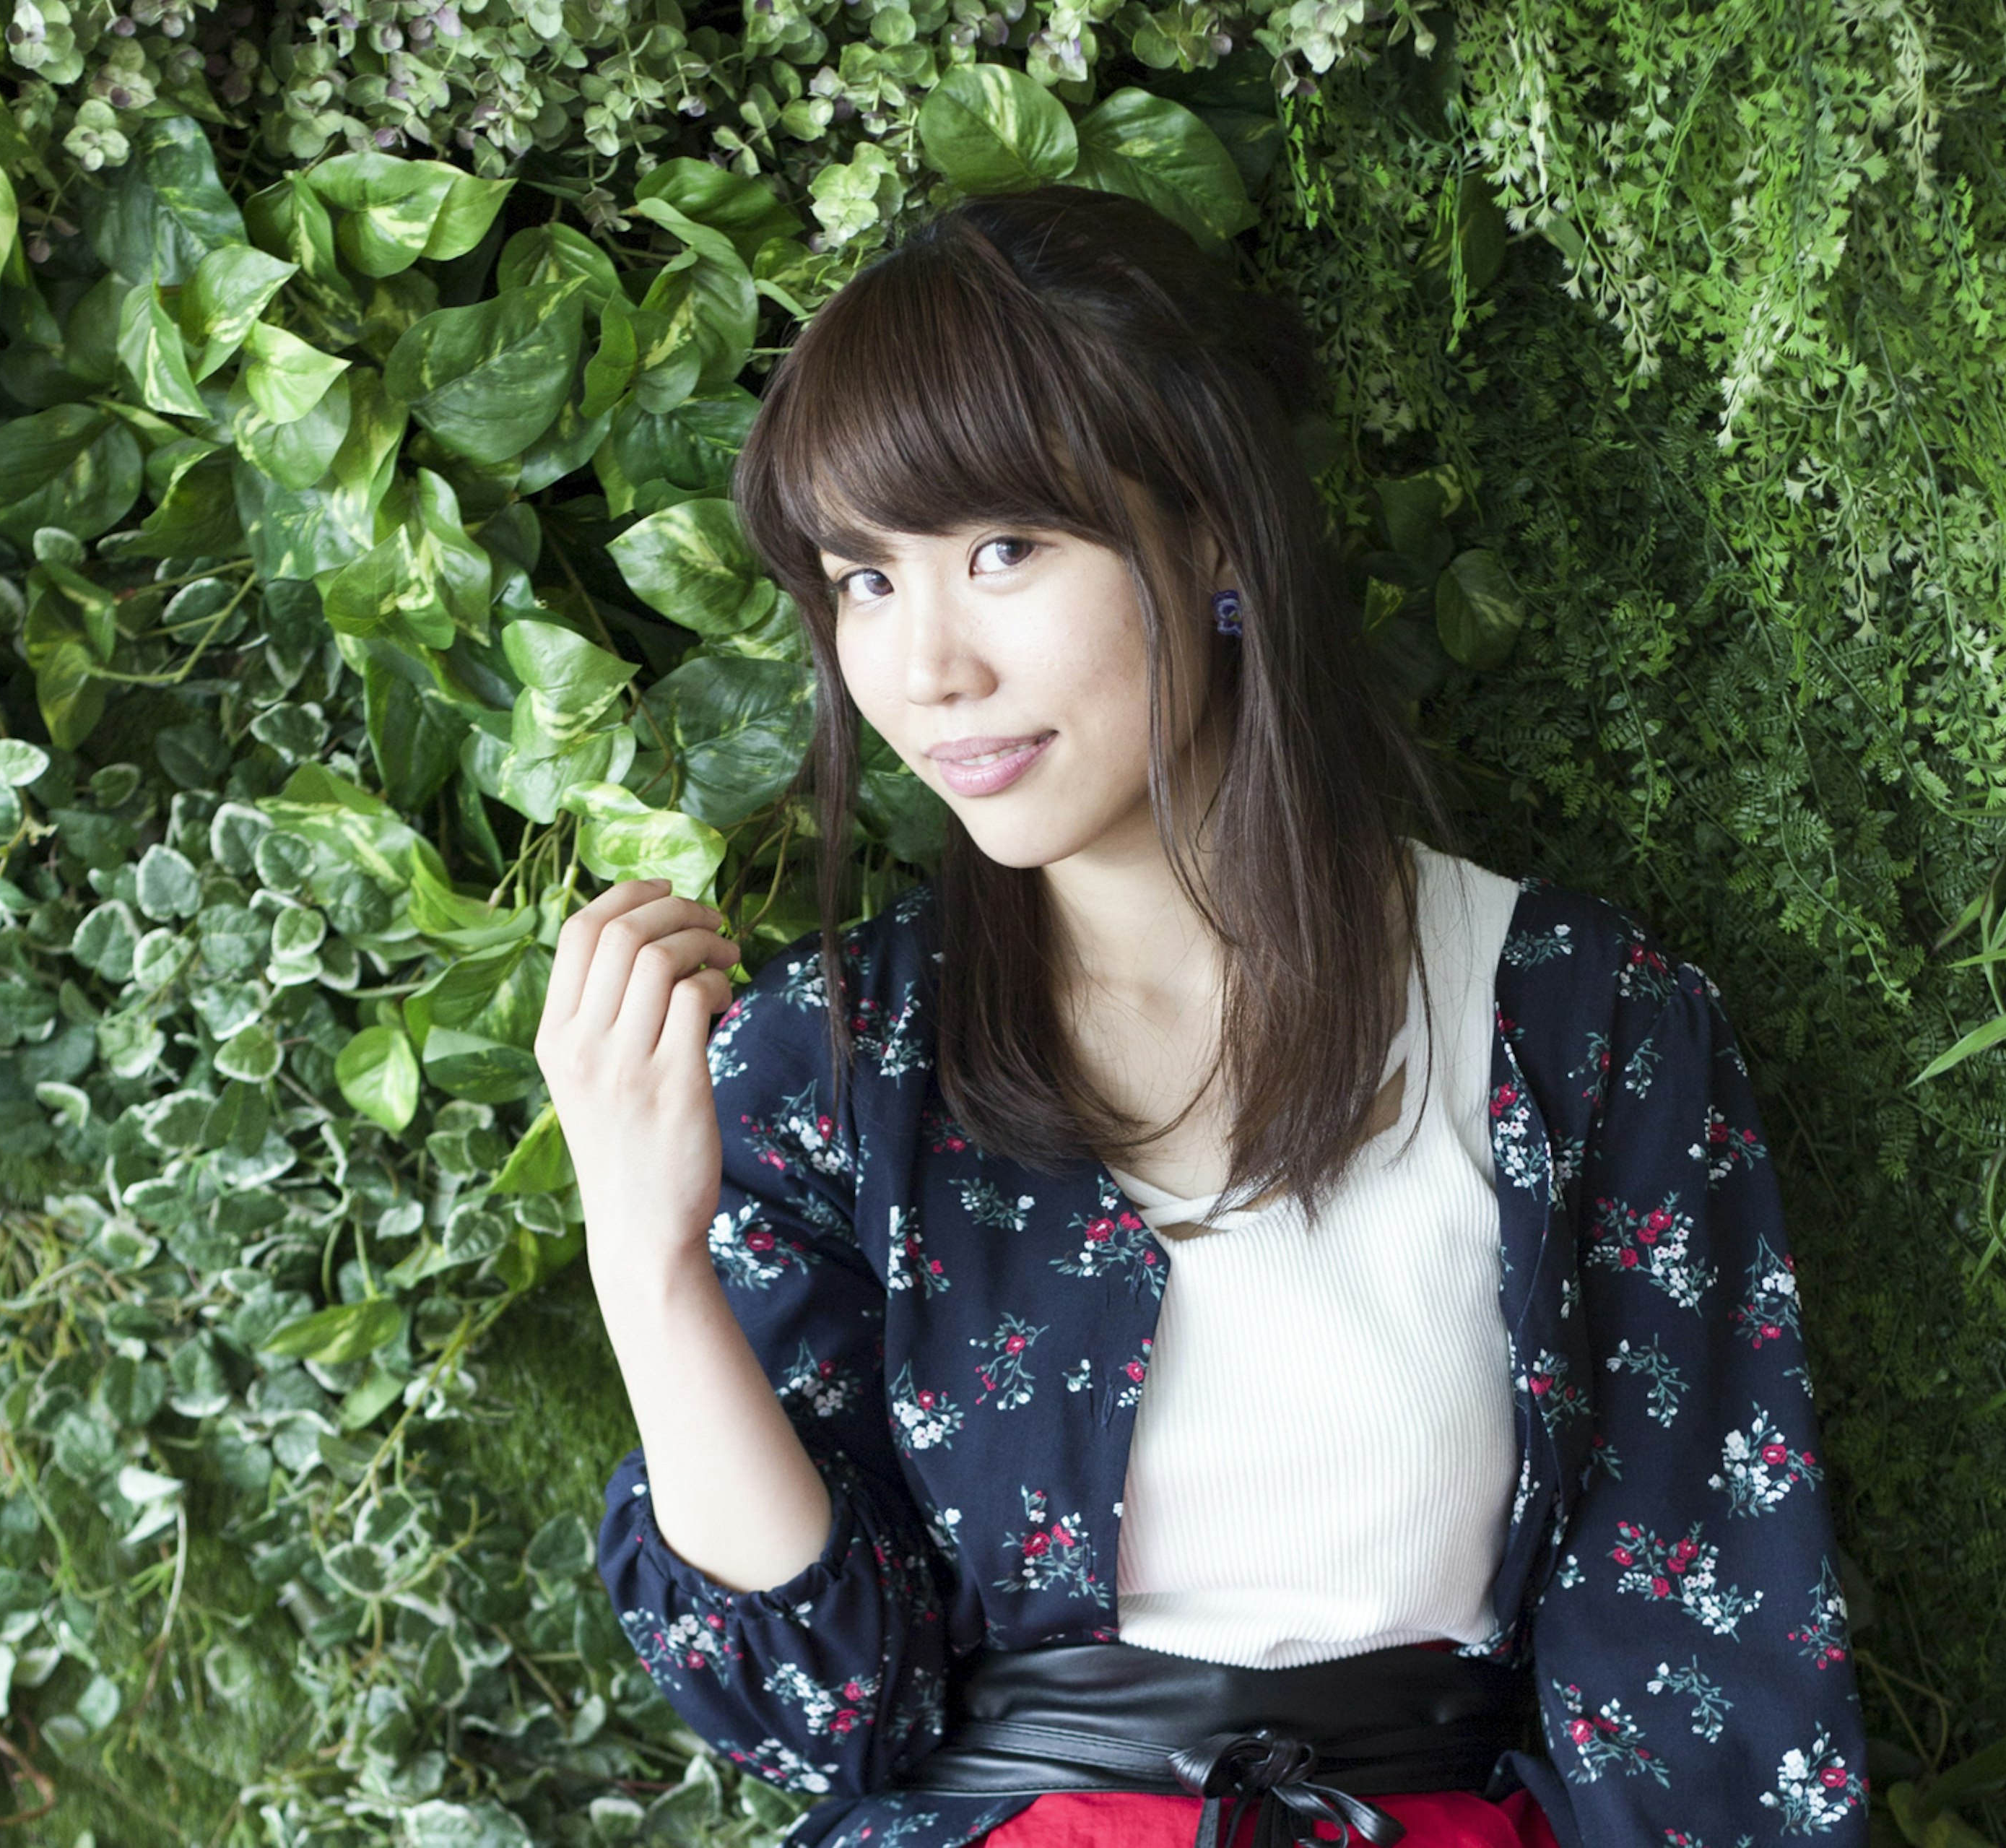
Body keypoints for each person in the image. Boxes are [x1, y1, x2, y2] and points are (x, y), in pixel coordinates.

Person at [535, 186, 1871, 1848]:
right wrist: (646, 1265)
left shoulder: (1582, 1023)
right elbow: (821, 1705)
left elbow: (1705, 1685)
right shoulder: (834, 1063)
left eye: (1003, 550)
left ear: (1218, 535)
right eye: (864, 579)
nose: (923, 664)